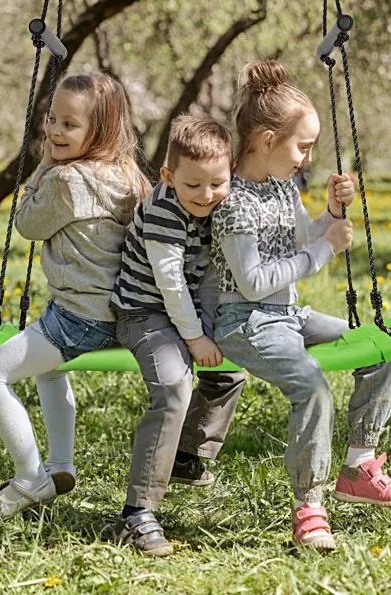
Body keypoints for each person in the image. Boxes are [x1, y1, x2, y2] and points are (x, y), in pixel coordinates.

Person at [211, 60, 391, 552]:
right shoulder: (234, 203)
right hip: (244, 320)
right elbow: (254, 283)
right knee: (313, 387)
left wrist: (332, 213)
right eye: (301, 146)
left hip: (286, 315)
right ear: (264, 140)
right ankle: (309, 507)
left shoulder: (280, 186)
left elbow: (302, 233)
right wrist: (325, 250)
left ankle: (358, 466)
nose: (305, 157)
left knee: (381, 347)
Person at [0, 73, 150, 517]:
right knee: (49, 371)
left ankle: (31, 478)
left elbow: (27, 224)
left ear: (101, 130)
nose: (53, 130)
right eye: (52, 119)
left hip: (79, 317)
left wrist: (43, 166)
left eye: (69, 124)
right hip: (124, 314)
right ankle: (60, 465)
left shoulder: (66, 180)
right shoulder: (129, 176)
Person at [110, 115, 245, 556]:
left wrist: (210, 331)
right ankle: (137, 512)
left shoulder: (215, 204)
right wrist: (194, 339)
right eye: (194, 186)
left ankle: (187, 455)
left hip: (181, 311)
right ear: (168, 177)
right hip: (143, 313)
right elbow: (170, 282)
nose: (206, 196)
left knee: (230, 372)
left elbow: (207, 276)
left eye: (217, 184)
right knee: (173, 386)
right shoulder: (166, 209)